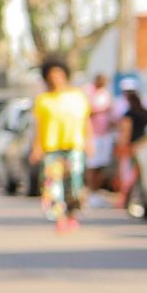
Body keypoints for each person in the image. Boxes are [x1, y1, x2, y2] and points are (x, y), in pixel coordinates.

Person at [29, 59, 88, 232]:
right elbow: (38, 126)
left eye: (59, 75)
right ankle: (60, 218)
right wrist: (36, 147)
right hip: (51, 148)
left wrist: (90, 142)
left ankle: (72, 215)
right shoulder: (43, 100)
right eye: (52, 76)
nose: (56, 79)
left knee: (75, 183)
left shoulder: (77, 96)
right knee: (53, 185)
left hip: (74, 146)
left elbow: (86, 121)